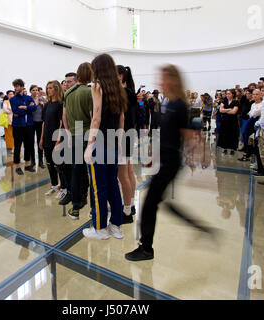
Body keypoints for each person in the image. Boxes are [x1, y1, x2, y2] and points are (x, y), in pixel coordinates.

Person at [125, 65, 212, 261]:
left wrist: (198, 156)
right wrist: (153, 157)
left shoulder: (179, 105)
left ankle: (146, 248)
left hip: (170, 162)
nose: (160, 82)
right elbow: (165, 135)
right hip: (164, 159)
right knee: (160, 203)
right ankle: (198, 227)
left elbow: (187, 133)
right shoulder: (169, 102)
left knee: (149, 205)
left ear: (172, 80)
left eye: (162, 79)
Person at [82, 53, 126, 240]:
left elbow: (96, 118)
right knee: (113, 185)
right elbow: (122, 118)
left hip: (100, 142)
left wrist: (89, 145)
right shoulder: (119, 88)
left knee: (98, 187)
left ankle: (99, 228)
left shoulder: (97, 86)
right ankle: (116, 226)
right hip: (113, 142)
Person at [63, 62, 94, 220]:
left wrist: (68, 134)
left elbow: (65, 116)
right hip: (87, 135)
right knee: (92, 173)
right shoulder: (89, 93)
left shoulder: (68, 93)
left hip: (74, 135)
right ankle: (93, 208)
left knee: (76, 171)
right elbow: (92, 117)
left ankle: (76, 205)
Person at [117, 65, 138, 224]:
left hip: (123, 135)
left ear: (119, 76)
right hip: (129, 134)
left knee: (122, 174)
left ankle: (127, 211)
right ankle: (131, 204)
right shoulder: (130, 90)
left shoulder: (124, 92)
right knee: (129, 171)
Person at [40, 81, 65, 196]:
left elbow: (61, 123)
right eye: (47, 88)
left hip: (56, 139)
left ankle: (64, 188)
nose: (48, 90)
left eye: (50, 88)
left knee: (59, 165)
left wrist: (58, 140)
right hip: (46, 138)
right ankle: (54, 185)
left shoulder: (60, 104)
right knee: (49, 164)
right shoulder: (46, 105)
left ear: (56, 89)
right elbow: (44, 123)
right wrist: (41, 139)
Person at [57, 72, 77, 204]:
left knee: (75, 167)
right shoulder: (65, 98)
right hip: (66, 133)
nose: (66, 84)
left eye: (69, 82)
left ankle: (76, 193)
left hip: (77, 133)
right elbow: (62, 120)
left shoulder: (77, 96)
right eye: (65, 82)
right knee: (65, 165)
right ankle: (69, 191)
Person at [10, 79, 37, 175]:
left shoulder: (28, 98)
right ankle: (17, 166)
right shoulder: (13, 99)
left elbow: (34, 108)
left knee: (28, 145)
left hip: (28, 125)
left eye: (17, 86)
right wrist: (27, 109)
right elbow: (16, 111)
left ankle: (27, 165)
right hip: (18, 126)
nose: (16, 88)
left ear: (22, 87)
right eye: (15, 86)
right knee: (17, 146)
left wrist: (24, 107)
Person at [217, 89, 240, 155]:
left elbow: (234, 112)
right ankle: (225, 148)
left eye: (229, 94)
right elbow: (221, 110)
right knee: (224, 134)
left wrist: (225, 110)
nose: (227, 95)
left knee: (232, 135)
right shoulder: (224, 101)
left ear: (233, 94)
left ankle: (232, 149)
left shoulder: (236, 102)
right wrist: (229, 109)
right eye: (227, 94)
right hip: (224, 121)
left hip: (233, 121)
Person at [30, 85, 45, 169]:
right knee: (31, 142)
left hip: (40, 122)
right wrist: (36, 103)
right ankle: (33, 161)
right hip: (31, 123)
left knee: (40, 142)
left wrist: (43, 105)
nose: (35, 91)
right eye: (33, 90)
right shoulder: (29, 99)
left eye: (37, 90)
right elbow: (30, 109)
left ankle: (40, 161)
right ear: (30, 91)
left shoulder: (42, 99)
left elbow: (46, 110)